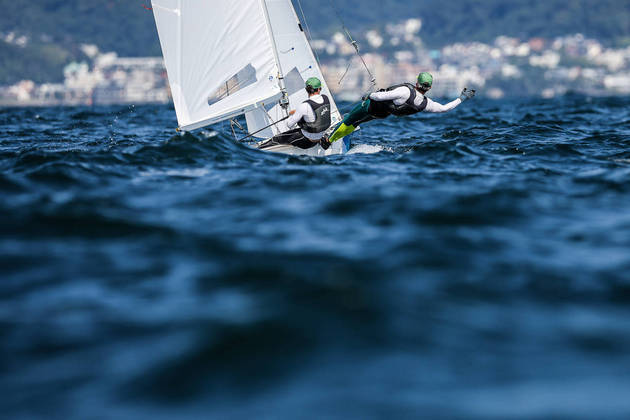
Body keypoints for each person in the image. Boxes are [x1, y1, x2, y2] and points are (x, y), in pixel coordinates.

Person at [321, 72, 476, 149]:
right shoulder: (425, 103)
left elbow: (381, 96)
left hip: (370, 106)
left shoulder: (404, 91)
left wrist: (369, 94)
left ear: (417, 83)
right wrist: (462, 98)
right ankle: (340, 134)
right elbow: (444, 108)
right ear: (429, 87)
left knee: (349, 119)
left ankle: (328, 141)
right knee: (356, 122)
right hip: (381, 115)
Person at [258, 77, 332, 150]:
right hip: (319, 137)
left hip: (306, 142)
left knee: (276, 139)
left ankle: (257, 151)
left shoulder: (304, 106)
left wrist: (295, 114)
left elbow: (289, 124)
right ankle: (321, 141)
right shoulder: (325, 98)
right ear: (319, 89)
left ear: (306, 90)